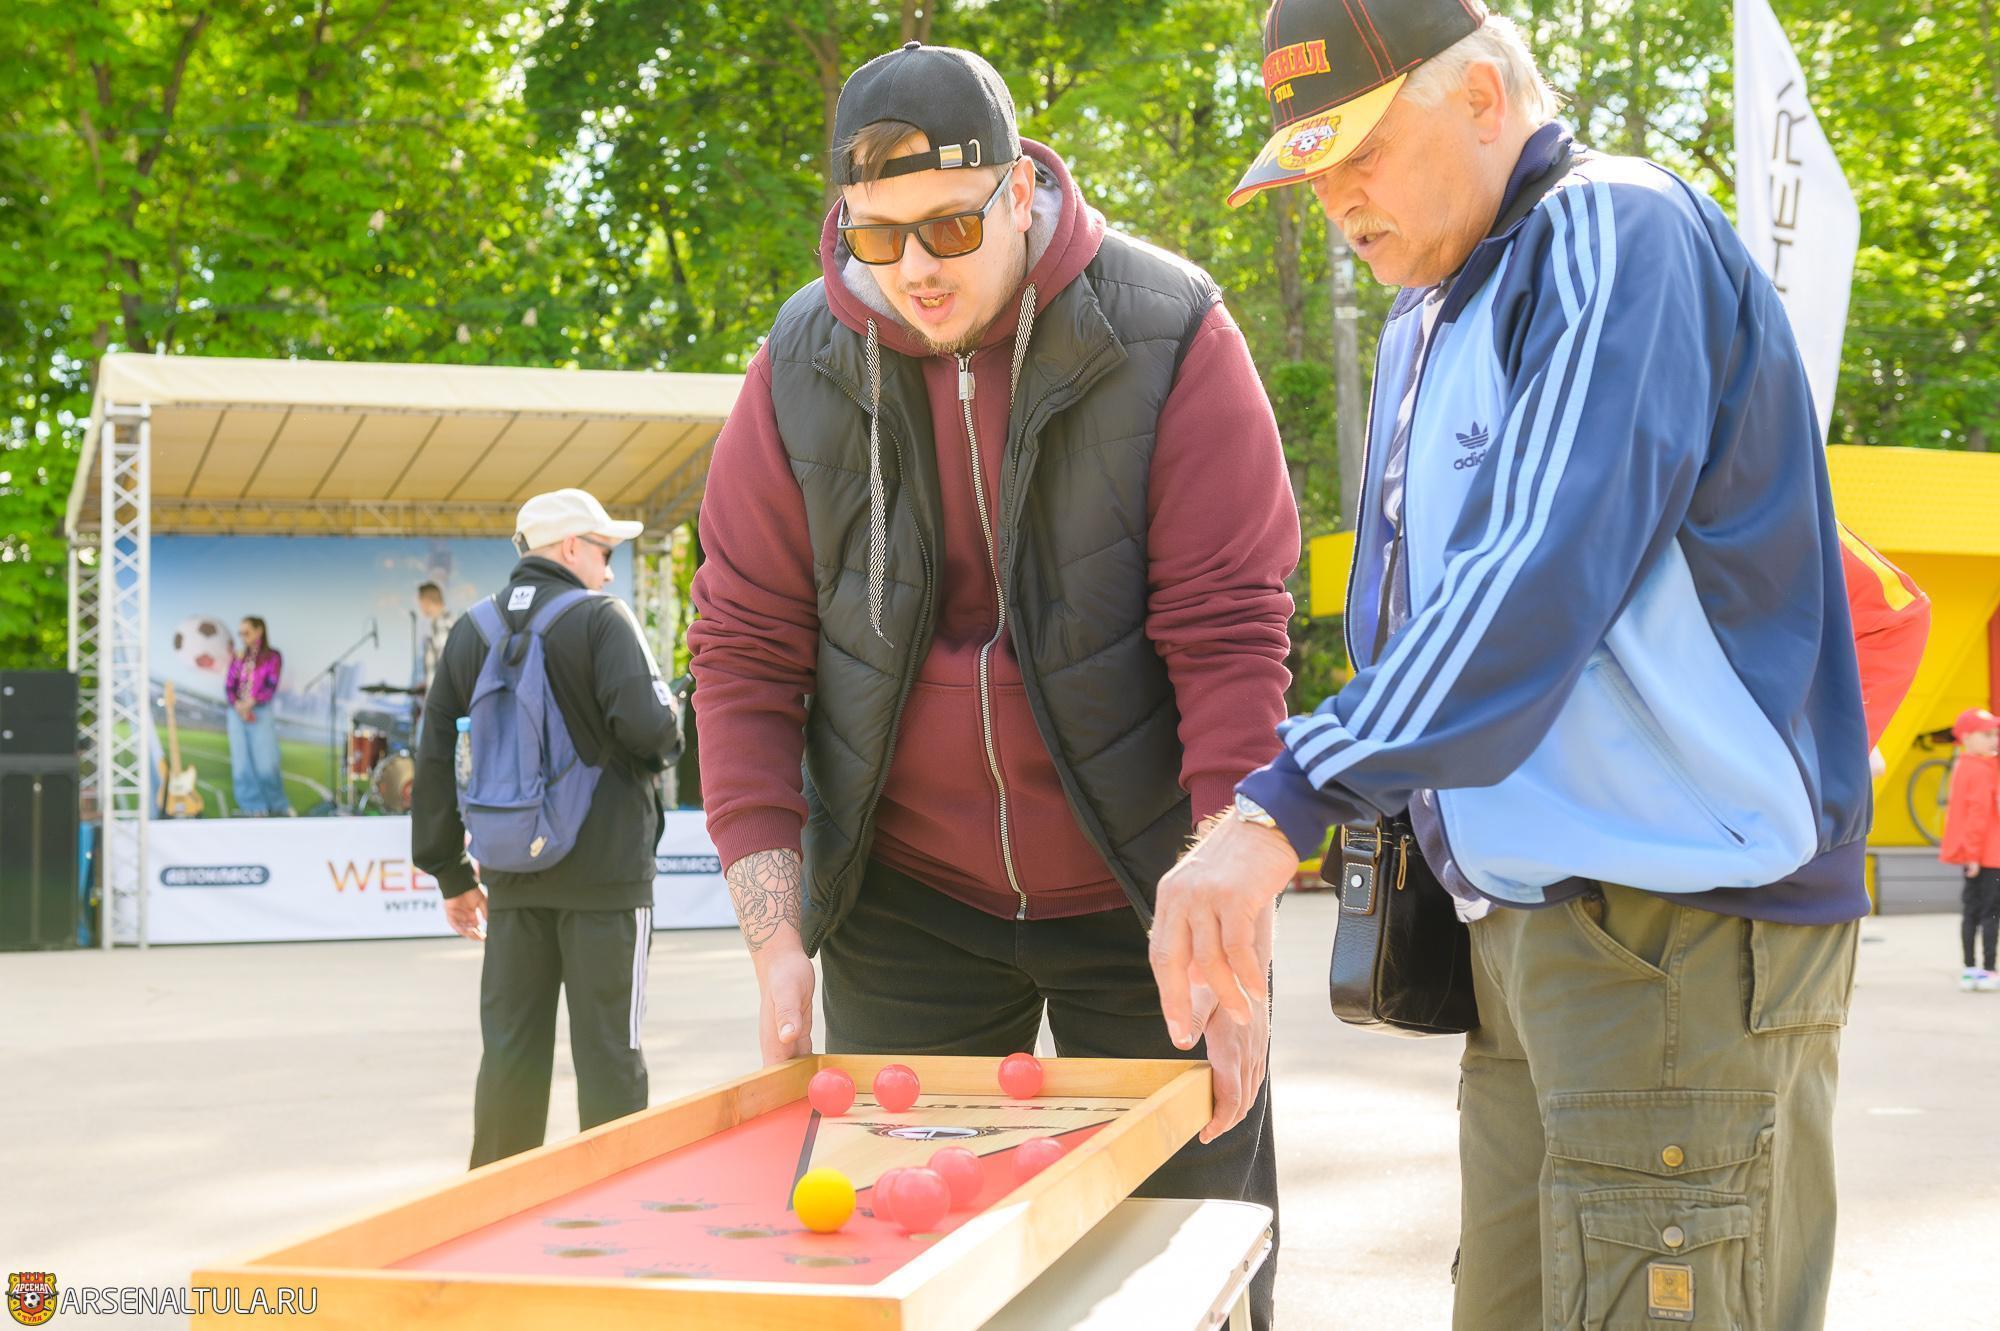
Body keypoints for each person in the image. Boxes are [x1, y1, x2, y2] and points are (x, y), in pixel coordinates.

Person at [1155, 3, 1891, 1327]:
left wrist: (1287, 797)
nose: (1335, 199)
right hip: (1538, 936)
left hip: (1676, 931)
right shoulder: (1431, 311)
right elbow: (1419, 619)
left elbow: (1537, 570)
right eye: (1311, 170)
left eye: (1363, 152)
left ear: (1486, 96)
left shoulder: (1615, 227)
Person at [688, 41, 1297, 1325]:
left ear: (1020, 190)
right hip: (907, 901)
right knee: (904, 1274)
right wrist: (776, 934)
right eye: (877, 237)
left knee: (1186, 1261)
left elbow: (1226, 634)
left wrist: (1228, 934)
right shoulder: (795, 367)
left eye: (951, 224)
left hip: (1148, 886)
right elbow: (743, 654)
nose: (914, 268)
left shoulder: (1170, 327)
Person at [413, 488, 681, 1168]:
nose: (610, 570)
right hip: (607, 880)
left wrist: (450, 870)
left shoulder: (470, 630)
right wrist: (676, 711)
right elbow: (653, 732)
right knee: (609, 1058)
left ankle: (494, 1215)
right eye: (604, 551)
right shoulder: (601, 619)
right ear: (570, 548)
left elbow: (435, 752)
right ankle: (615, 1213)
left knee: (509, 1055)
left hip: (511, 878)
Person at [1938, 707, 2000, 992]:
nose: (1993, 740)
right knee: (1990, 913)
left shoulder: (1966, 765)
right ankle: (1988, 969)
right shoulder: (1982, 770)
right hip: (1988, 855)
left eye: (1995, 734)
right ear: (1967, 737)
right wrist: (1974, 855)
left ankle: (1969, 968)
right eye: (1986, 734)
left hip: (1975, 854)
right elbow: (1977, 815)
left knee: (1971, 911)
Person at [223, 616, 289, 816]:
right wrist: (238, 705)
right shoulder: (239, 656)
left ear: (259, 630)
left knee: (266, 763)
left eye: (247, 632)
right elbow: (229, 685)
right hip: (237, 713)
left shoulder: (272, 656)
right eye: (240, 633)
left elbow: (271, 685)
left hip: (260, 710)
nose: (243, 637)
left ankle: (277, 807)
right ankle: (251, 807)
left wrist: (251, 702)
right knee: (241, 763)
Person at [417, 581, 455, 693]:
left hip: (442, 698)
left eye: (420, 602)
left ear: (426, 601)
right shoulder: (443, 622)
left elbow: (445, 664)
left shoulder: (442, 624)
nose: (420, 607)